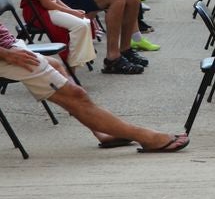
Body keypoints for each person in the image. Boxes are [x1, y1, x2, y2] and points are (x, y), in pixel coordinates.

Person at [0, 21, 187, 152]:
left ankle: (102, 132)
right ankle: (146, 138)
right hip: (7, 54)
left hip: (11, 47)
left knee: (56, 66)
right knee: (76, 95)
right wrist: (7, 55)